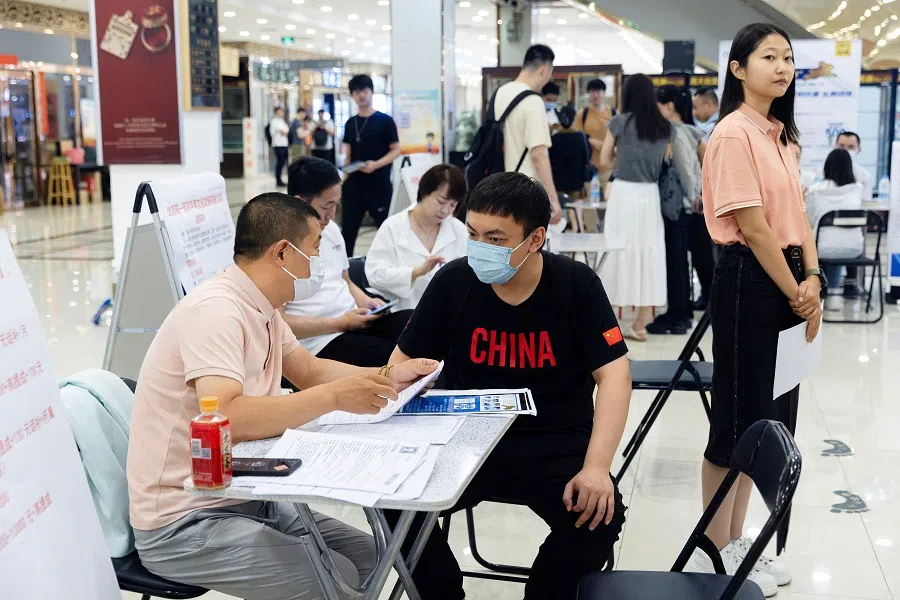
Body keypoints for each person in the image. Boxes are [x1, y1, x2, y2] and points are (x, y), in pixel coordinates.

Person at [128, 191, 439, 600]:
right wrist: (335, 398)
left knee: (373, 558)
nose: (317, 264)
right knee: (336, 583)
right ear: (281, 253)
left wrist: (388, 377)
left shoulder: (263, 307)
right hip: (185, 518)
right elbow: (227, 416)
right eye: (312, 251)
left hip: (245, 495)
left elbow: (310, 371)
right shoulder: (216, 311)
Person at [385, 172, 630, 600]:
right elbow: (400, 366)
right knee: (391, 501)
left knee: (600, 517)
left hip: (552, 442)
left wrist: (595, 468)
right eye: (474, 234)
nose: (480, 248)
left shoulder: (576, 286)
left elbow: (614, 375)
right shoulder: (454, 283)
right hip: (464, 440)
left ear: (535, 238)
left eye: (496, 240)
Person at [693, 23, 824, 597]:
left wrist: (813, 278)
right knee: (737, 414)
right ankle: (712, 549)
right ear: (738, 68)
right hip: (751, 276)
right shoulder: (732, 134)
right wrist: (795, 287)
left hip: (788, 274)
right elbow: (752, 227)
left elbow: (798, 218)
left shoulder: (781, 136)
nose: (782, 66)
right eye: (768, 56)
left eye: (789, 57)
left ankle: (738, 537)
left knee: (770, 416)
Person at [283, 156, 413, 367]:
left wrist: (368, 303)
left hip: (352, 320)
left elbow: (345, 281)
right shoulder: (280, 247)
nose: (331, 215)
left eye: (336, 205)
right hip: (317, 341)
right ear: (299, 202)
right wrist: (341, 323)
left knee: (415, 325)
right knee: (391, 357)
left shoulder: (331, 230)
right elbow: (280, 323)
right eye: (326, 206)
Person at [598, 73, 671, 340]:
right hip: (650, 196)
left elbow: (604, 161)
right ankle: (640, 323)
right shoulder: (665, 126)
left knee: (618, 252)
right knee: (648, 254)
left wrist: (620, 155)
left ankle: (611, 326)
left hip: (624, 194)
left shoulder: (619, 123)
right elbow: (663, 161)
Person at [365, 164, 468, 311]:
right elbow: (375, 275)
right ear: (425, 192)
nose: (445, 210)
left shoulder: (458, 230)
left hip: (449, 313)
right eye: (441, 201)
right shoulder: (393, 227)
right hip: (404, 314)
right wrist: (416, 272)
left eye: (452, 205)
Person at [647, 85, 703, 335]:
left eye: (659, 105)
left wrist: (694, 198)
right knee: (681, 262)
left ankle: (678, 315)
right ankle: (683, 311)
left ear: (669, 105)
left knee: (676, 262)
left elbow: (684, 170)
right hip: (686, 207)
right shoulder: (693, 131)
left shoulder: (676, 132)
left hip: (678, 207)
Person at [492, 44, 563, 224]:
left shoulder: (500, 93)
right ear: (544, 69)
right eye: (549, 74)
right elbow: (539, 156)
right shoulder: (532, 101)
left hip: (500, 188)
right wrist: (554, 200)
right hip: (526, 192)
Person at [341, 74, 402, 255]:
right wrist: (342, 180)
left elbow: (396, 150)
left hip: (379, 184)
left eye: (365, 91)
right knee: (348, 231)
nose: (361, 95)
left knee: (385, 229)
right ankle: (346, 271)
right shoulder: (350, 123)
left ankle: (389, 266)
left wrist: (376, 165)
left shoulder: (385, 121)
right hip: (354, 185)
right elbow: (348, 156)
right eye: (357, 92)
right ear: (352, 95)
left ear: (371, 92)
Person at [805, 149, 864, 312]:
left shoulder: (816, 189)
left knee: (827, 243)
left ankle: (825, 295)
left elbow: (807, 221)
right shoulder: (857, 190)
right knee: (841, 242)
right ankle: (839, 293)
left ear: (827, 166)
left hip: (822, 250)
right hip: (854, 249)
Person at [834, 131, 871, 298]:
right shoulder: (823, 172)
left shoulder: (864, 176)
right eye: (842, 146)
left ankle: (851, 282)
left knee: (854, 234)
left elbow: (866, 205)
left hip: (853, 226)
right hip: (829, 230)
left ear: (858, 150)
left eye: (850, 147)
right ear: (834, 146)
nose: (846, 150)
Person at [548, 105, 592, 229]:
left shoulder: (554, 139)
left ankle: (563, 230)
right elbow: (587, 157)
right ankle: (577, 228)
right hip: (577, 181)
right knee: (576, 207)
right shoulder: (581, 137)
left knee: (560, 209)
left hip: (558, 182)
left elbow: (550, 160)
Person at [575, 78, 614, 179]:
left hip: (609, 167)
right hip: (590, 167)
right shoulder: (582, 114)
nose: (595, 95)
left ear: (603, 93)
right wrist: (590, 141)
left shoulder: (613, 113)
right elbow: (578, 138)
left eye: (598, 91)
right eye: (592, 92)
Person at [269, 107, 290, 187]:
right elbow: (282, 131)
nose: (282, 113)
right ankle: (278, 181)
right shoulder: (274, 121)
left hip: (284, 144)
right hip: (278, 144)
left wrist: (284, 131)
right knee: (280, 162)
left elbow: (286, 130)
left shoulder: (282, 121)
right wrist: (283, 131)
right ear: (277, 112)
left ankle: (281, 179)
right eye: (280, 111)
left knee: (283, 162)